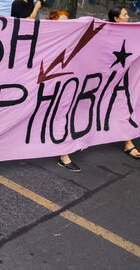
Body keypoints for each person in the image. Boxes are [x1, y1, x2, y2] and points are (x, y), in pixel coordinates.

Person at [108, 6, 140, 160]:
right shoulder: (106, 32)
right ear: (116, 19)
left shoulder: (132, 32)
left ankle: (128, 143)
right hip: (107, 81)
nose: (128, 16)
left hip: (123, 80)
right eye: (125, 14)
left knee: (123, 108)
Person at [46, 10, 81, 172]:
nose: (68, 24)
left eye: (69, 20)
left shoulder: (73, 39)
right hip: (41, 87)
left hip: (62, 86)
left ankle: (64, 155)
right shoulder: (43, 38)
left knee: (61, 117)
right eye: (63, 21)